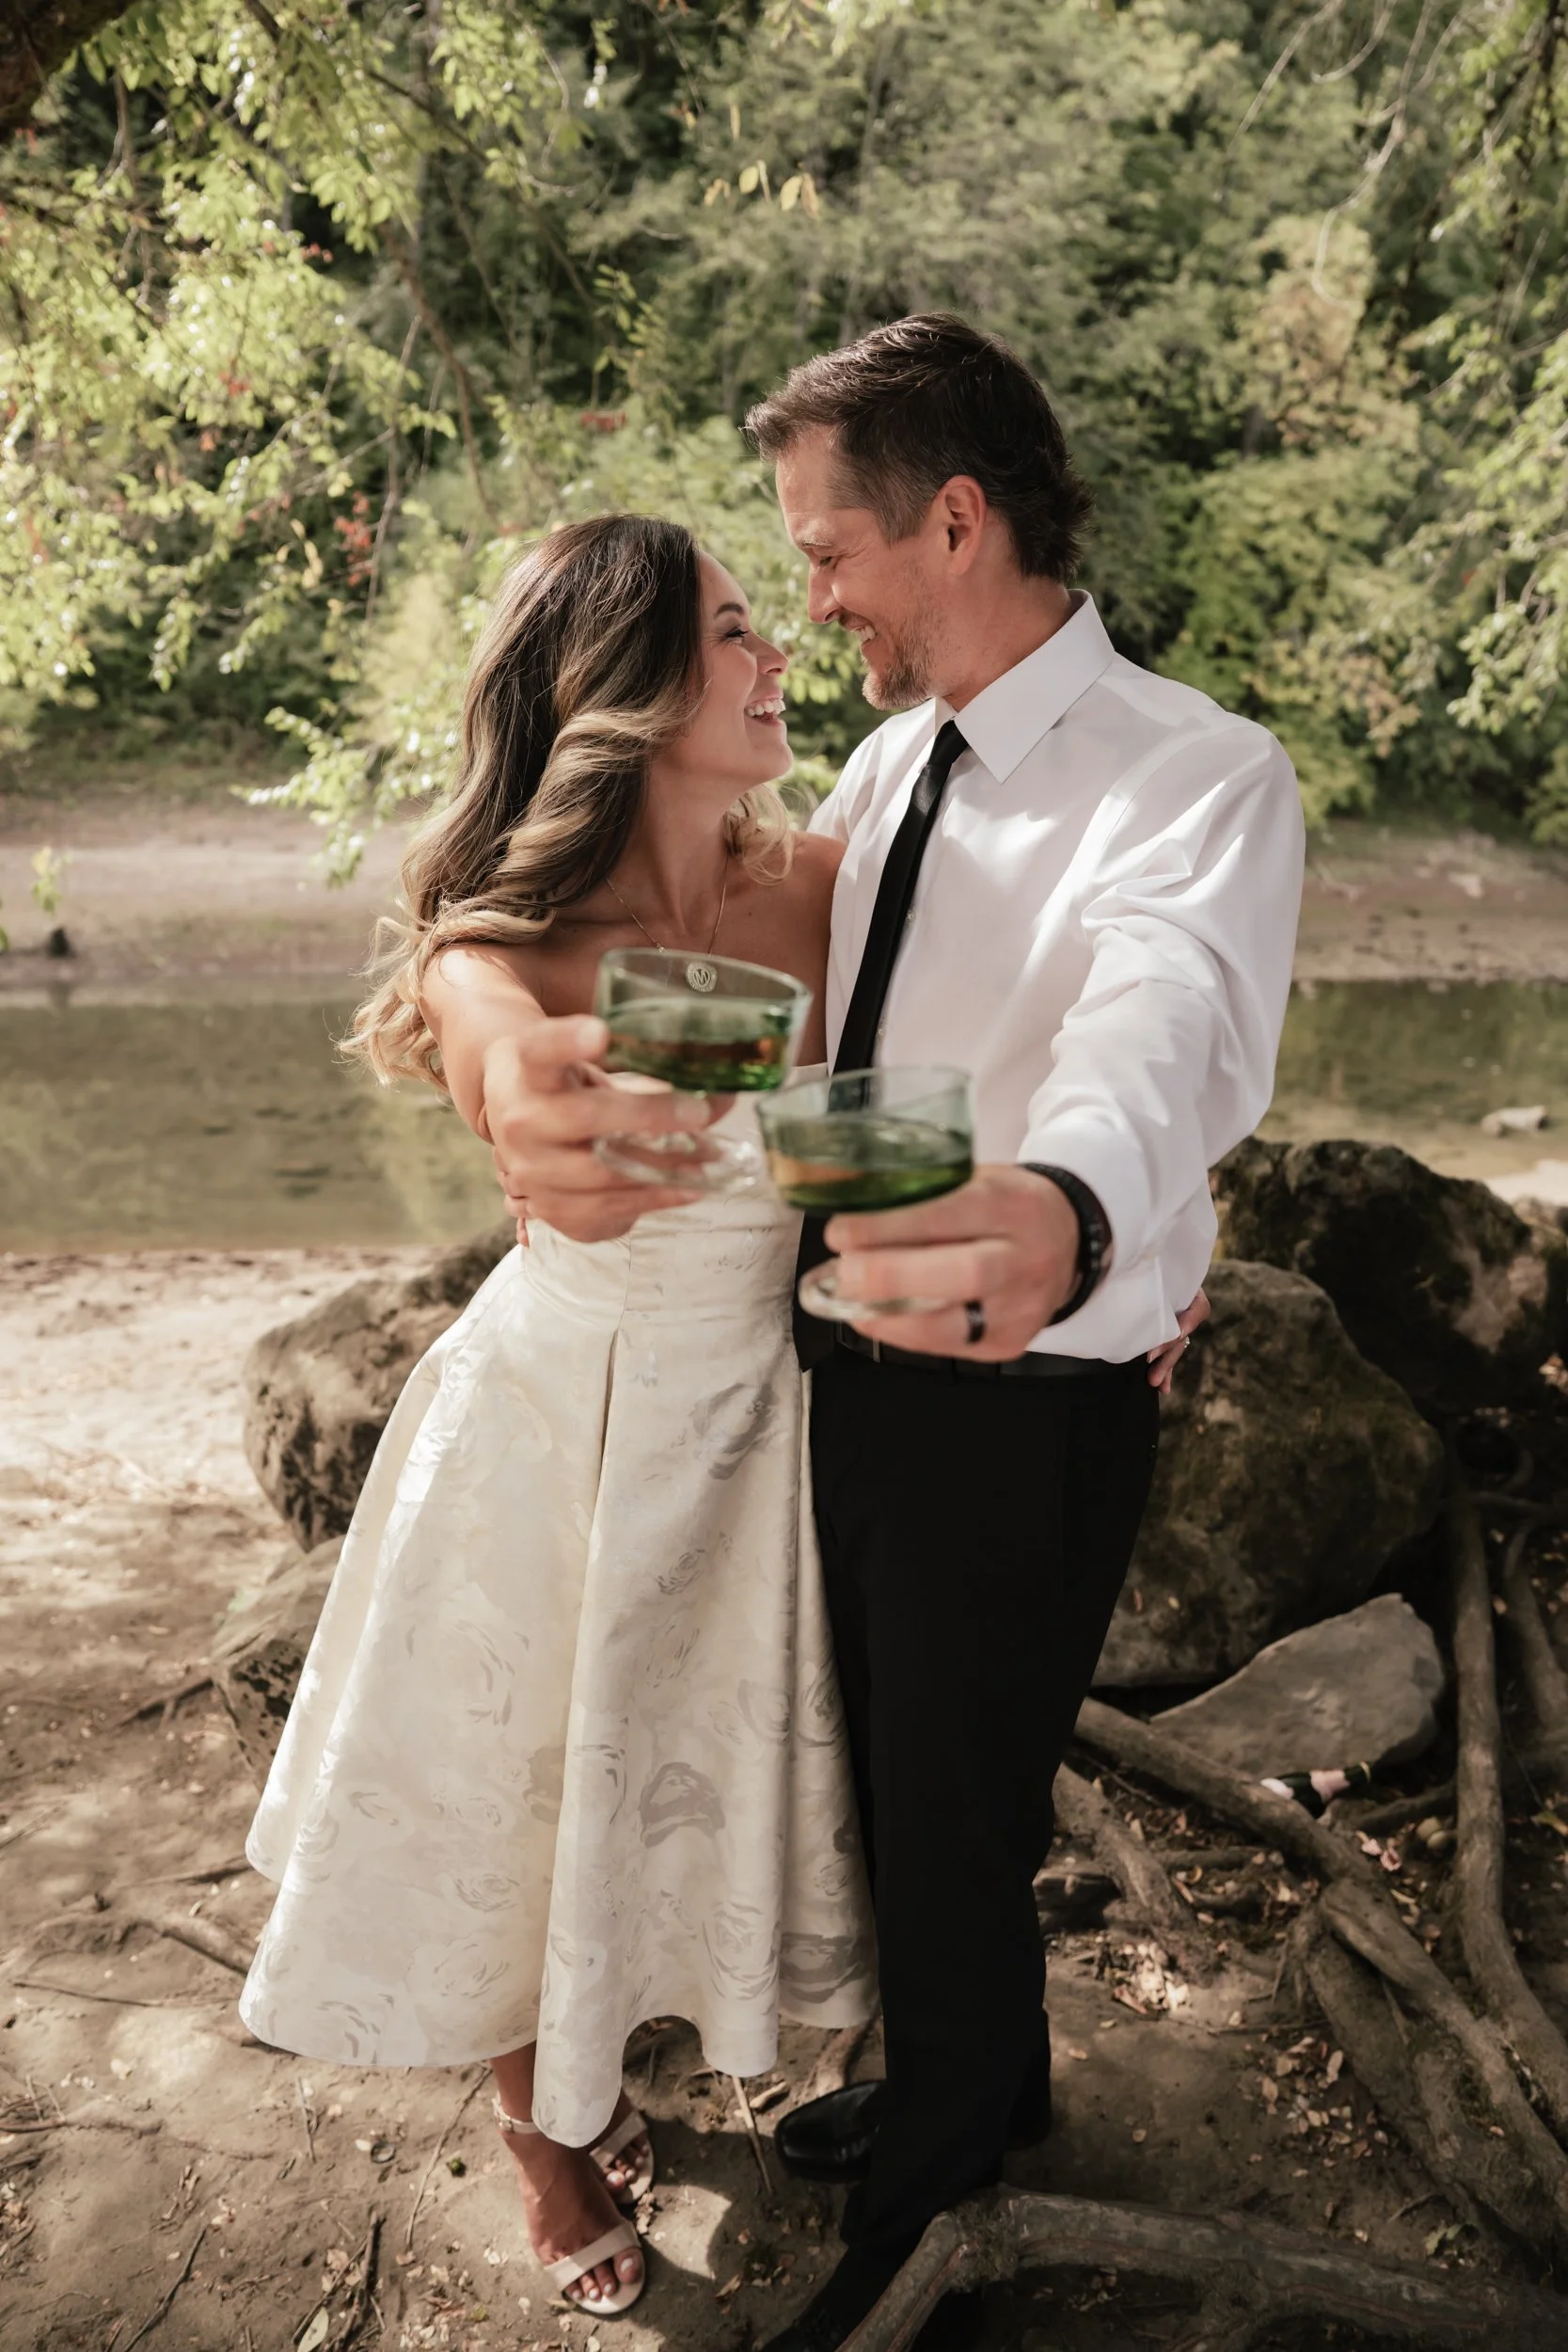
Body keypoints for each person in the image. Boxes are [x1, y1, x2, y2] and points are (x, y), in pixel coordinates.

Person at [484, 315, 1304, 2352]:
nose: (810, 599)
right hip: (828, 1373)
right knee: (900, 1786)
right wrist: (529, 1052)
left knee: (953, 1795)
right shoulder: (876, 765)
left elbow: (1159, 1026)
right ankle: (970, 2077)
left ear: (953, 518)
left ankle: (944, 2188)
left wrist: (1085, 1210)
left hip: (1015, 1393)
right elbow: (826, 1076)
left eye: (821, 553)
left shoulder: (1190, 776)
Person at [237, 515, 879, 2320]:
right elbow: (522, 1077)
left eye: (768, 625)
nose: (777, 660)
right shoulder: (500, 946)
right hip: (554, 1426)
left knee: (674, 1796)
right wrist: (529, 1073)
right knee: (525, 1808)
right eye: (736, 633)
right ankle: (540, 2134)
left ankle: (678, 2075)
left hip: (760, 1431)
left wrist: (1106, 1233)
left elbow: (859, 1152)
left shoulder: (819, 887)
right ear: (622, 694)